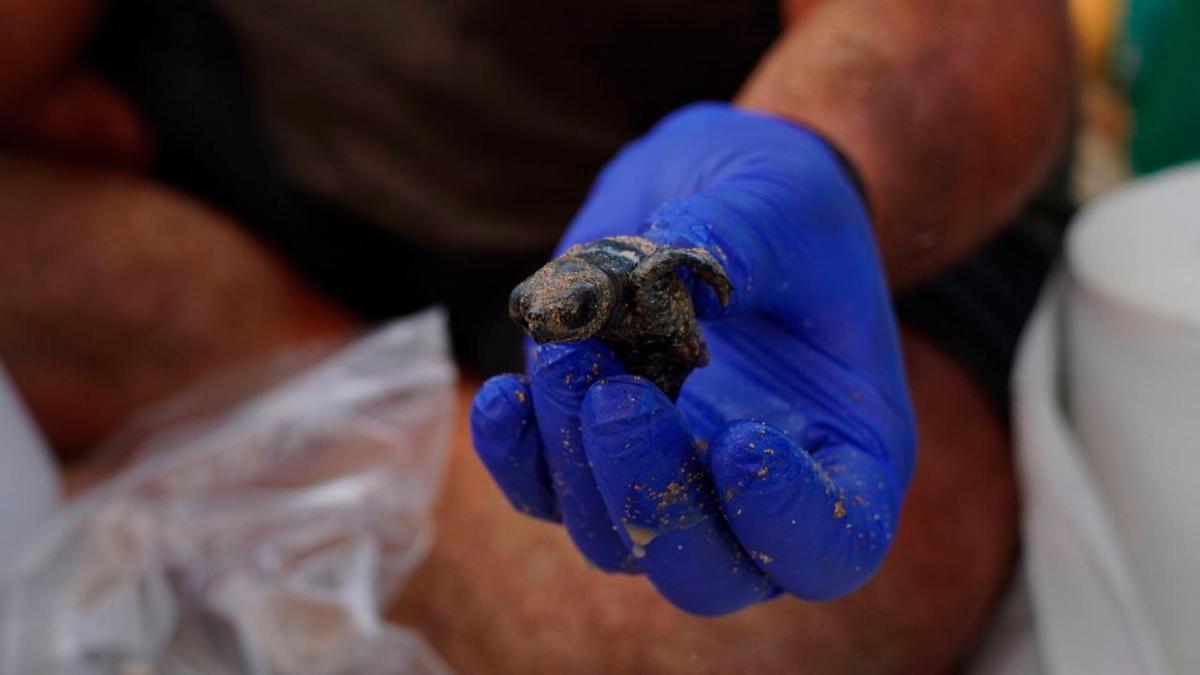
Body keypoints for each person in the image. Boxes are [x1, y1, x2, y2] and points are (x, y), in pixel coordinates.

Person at [0, 0, 1073, 670]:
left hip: (768, 203)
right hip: (256, 154)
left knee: (750, 611)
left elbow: (967, 23)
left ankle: (263, 400)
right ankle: (253, 374)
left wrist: (826, 152)